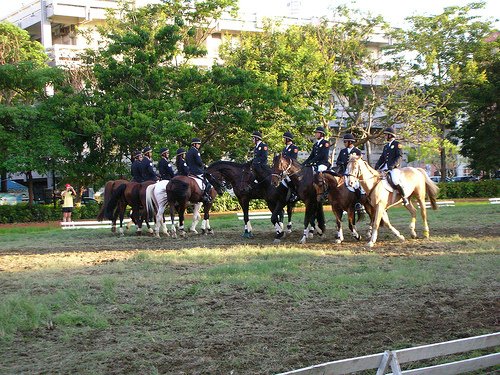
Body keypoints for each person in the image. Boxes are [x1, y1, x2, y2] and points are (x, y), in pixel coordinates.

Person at [374, 127, 407, 205]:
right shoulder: (386, 146)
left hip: (394, 167)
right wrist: (377, 166)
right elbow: (382, 158)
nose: (385, 136)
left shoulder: (397, 144)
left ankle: (404, 197)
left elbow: (399, 156)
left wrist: (392, 166)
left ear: (390, 135)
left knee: (395, 180)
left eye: (386, 135)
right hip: (385, 167)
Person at [336, 133, 365, 210]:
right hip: (344, 172)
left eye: (345, 142)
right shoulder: (343, 151)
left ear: (350, 142)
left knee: (357, 186)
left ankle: (358, 203)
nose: (344, 143)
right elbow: (338, 161)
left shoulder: (357, 151)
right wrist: (342, 163)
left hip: (353, 174)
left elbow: (359, 163)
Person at [186, 138, 212, 203]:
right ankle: (205, 196)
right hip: (197, 171)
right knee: (208, 183)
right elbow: (199, 162)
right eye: (198, 144)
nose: (199, 145)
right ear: (194, 144)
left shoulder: (188, 152)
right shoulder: (196, 151)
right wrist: (204, 166)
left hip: (190, 172)